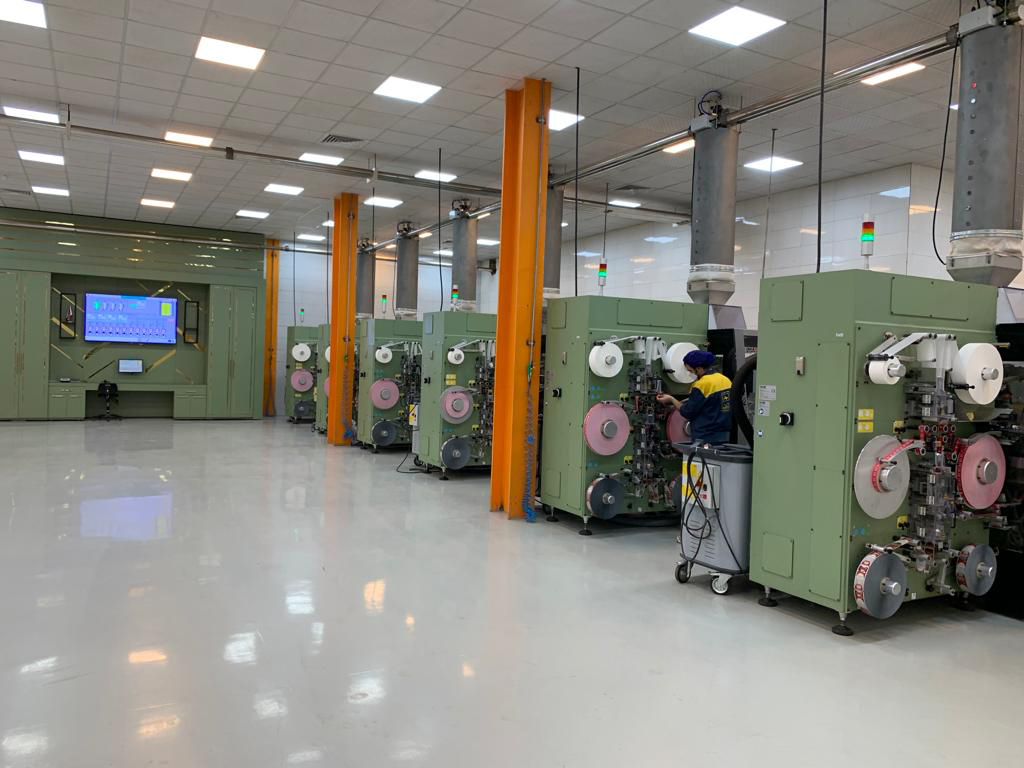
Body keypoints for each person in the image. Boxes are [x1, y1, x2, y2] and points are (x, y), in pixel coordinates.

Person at [657, 349, 732, 445]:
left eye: (691, 370)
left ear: (699, 368)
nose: (690, 373)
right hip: (724, 436)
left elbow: (688, 412)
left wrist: (671, 399)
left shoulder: (701, 385)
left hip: (705, 437)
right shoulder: (725, 380)